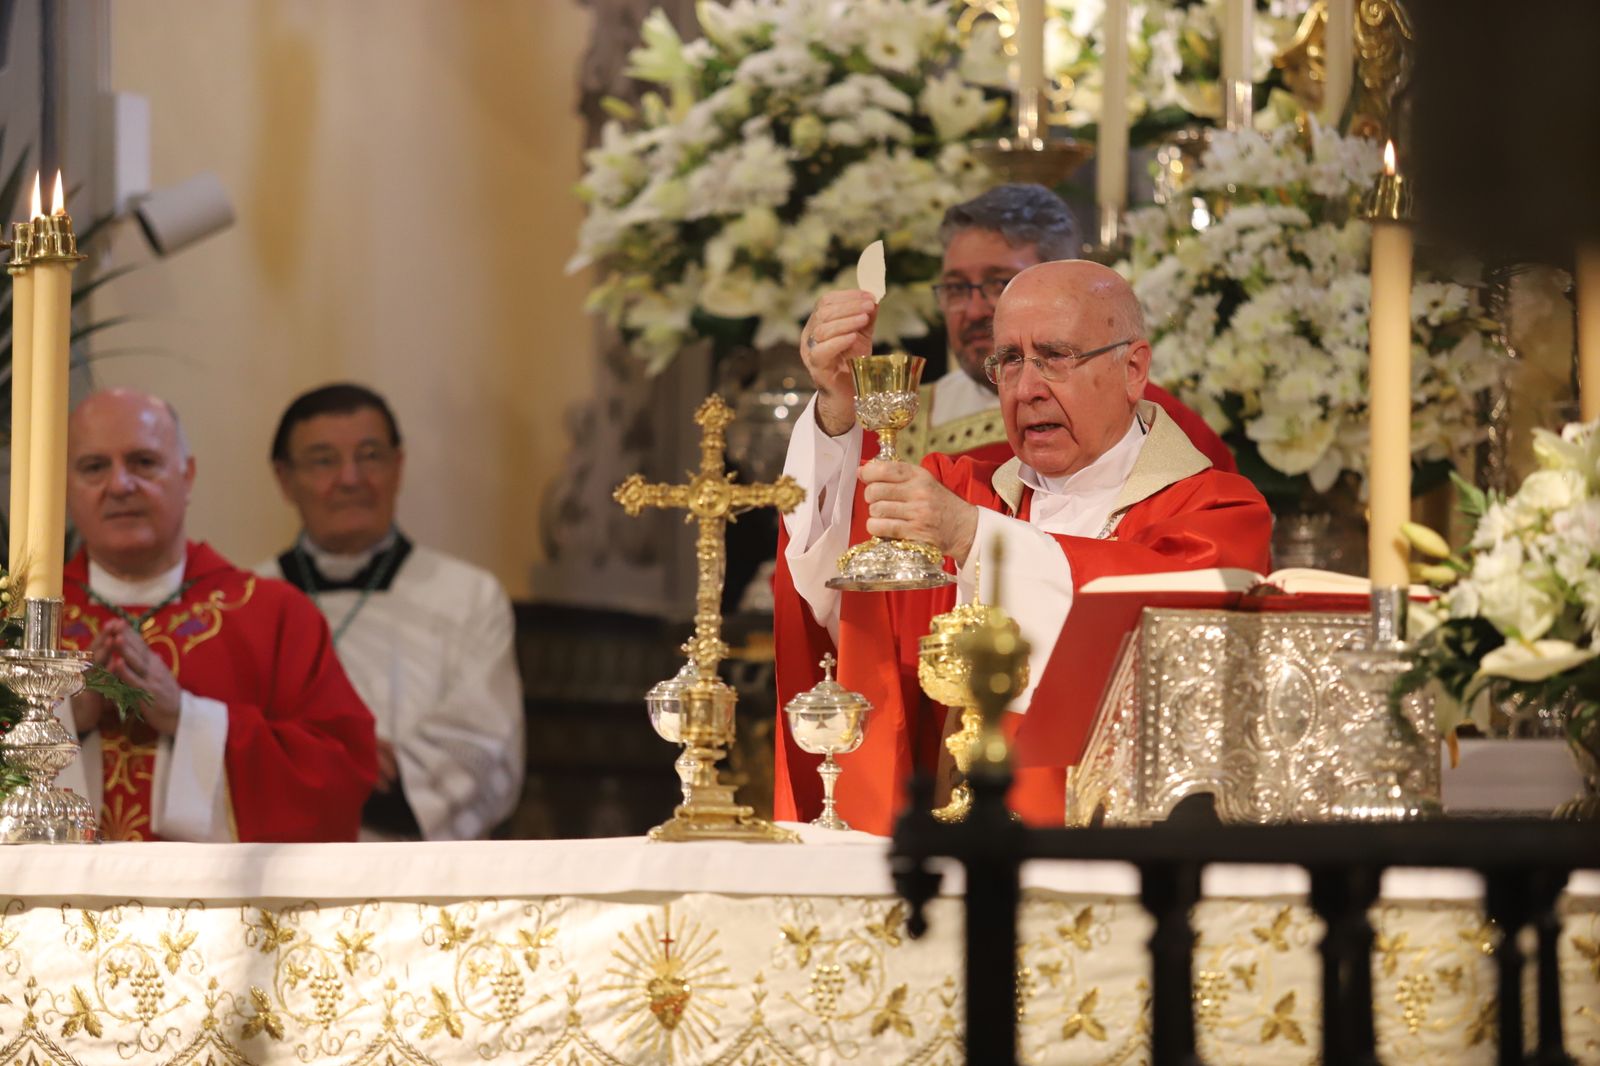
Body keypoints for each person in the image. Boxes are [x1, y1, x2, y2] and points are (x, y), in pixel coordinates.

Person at [773, 261, 1273, 833]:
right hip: (955, 857)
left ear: (1133, 369)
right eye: (1009, 361)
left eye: (1056, 357)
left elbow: (1157, 626)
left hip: (1121, 864)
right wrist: (839, 409)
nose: (1028, 389)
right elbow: (836, 583)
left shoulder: (1217, 512)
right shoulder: (962, 493)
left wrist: (972, 537)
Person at [55, 389, 377, 842]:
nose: (121, 485)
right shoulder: (23, 621)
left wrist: (186, 717)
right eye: (94, 467)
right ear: (65, 486)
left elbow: (339, 777)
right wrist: (63, 717)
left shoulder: (275, 615)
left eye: (144, 462)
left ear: (187, 476)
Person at [259, 384, 524, 841]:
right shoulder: (243, 600)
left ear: (398, 467)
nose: (350, 478)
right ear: (285, 479)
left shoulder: (469, 596)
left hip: (419, 868)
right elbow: (218, 745)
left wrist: (328, 773)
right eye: (324, 460)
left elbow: (484, 747)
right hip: (278, 862)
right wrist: (342, 763)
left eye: (370, 456)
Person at [900, 182, 1236, 472]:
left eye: (1001, 283)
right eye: (957, 288)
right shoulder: (899, 420)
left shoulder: (1158, 428)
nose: (973, 310)